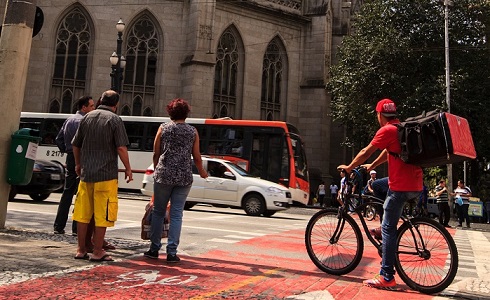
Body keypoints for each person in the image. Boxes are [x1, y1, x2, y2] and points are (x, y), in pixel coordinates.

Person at [337, 98, 423, 289]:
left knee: (388, 229)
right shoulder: (400, 128)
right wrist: (372, 166)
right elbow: (387, 152)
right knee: (377, 186)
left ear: (379, 114)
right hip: (415, 183)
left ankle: (386, 276)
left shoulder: (386, 130)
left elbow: (366, 151)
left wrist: (350, 167)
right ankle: (384, 225)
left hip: (400, 186)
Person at [144, 98, 208, 263]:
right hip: (184, 176)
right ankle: (172, 252)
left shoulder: (163, 128)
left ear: (170, 112)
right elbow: (197, 157)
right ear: (186, 113)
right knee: (177, 213)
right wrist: (202, 172)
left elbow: (156, 153)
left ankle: (154, 249)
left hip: (164, 175)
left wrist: (158, 168)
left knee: (158, 212)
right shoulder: (192, 131)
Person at [72, 90, 133, 261]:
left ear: (100, 101)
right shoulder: (114, 119)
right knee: (103, 214)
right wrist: (128, 168)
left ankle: (81, 249)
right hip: (106, 175)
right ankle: (98, 251)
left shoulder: (87, 117)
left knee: (83, 214)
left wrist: (78, 163)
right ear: (116, 104)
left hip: (86, 174)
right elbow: (121, 147)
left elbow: (75, 144)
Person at [53, 96, 95, 235]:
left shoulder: (69, 119)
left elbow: (58, 139)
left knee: (67, 192)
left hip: (71, 157)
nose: (93, 109)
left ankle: (58, 226)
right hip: (82, 157)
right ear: (84, 107)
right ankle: (76, 228)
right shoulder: (85, 121)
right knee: (81, 193)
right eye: (91, 106)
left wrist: (67, 150)